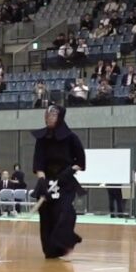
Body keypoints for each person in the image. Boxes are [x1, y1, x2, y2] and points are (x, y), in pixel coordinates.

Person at [30, 105, 85, 259]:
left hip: (65, 182)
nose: (49, 118)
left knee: (64, 212)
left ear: (60, 117)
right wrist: (42, 180)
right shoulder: (41, 139)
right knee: (46, 215)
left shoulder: (71, 138)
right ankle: (50, 250)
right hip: (46, 180)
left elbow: (80, 162)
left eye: (53, 115)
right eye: (47, 115)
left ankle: (64, 243)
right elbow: (38, 163)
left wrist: (69, 170)